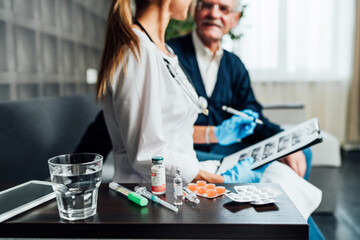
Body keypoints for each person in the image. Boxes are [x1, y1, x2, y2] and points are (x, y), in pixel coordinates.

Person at [95, 0, 266, 184]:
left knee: (276, 172)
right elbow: (149, 155)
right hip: (154, 194)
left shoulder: (162, 51)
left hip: (179, 180)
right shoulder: (138, 52)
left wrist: (216, 133)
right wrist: (221, 180)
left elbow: (169, 130)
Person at [166, 0, 312, 180]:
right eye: (207, 5)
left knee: (300, 153)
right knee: (266, 168)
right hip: (187, 150)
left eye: (224, 9)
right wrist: (216, 134)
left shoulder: (235, 65)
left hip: (222, 150)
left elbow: (253, 113)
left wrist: (283, 140)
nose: (214, 14)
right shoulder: (170, 54)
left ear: (235, 18)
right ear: (195, 11)